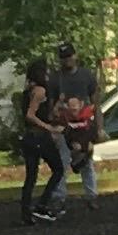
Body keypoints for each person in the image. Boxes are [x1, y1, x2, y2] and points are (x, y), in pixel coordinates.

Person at [19, 60, 69, 225]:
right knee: (58, 169)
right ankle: (42, 204)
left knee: (31, 176)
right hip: (39, 137)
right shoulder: (40, 90)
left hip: (28, 138)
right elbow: (31, 115)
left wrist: (57, 106)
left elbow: (41, 113)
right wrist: (49, 128)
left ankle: (26, 211)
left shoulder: (28, 91)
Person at [53, 49, 103, 204]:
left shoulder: (86, 75)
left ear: (75, 55)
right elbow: (51, 105)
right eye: (63, 57)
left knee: (86, 161)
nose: (67, 60)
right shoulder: (56, 78)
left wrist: (99, 127)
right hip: (64, 125)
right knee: (62, 161)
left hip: (84, 125)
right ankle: (60, 197)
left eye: (69, 56)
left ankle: (91, 195)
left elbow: (96, 103)